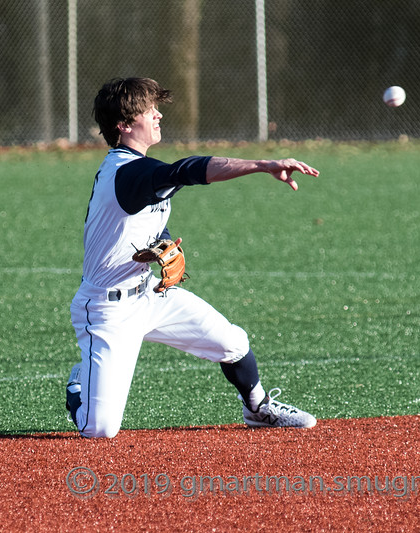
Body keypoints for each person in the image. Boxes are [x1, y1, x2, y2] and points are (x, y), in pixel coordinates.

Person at [66, 77, 320, 438]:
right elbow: (186, 169)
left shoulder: (138, 170)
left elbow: (148, 221)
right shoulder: (127, 172)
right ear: (123, 125)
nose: (157, 115)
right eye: (147, 110)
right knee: (100, 429)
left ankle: (258, 408)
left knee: (233, 343)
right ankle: (78, 385)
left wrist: (162, 245)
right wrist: (262, 165)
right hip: (106, 312)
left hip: (149, 295)